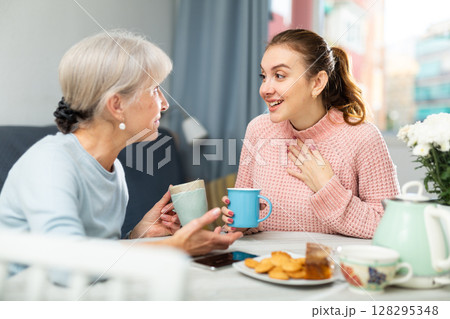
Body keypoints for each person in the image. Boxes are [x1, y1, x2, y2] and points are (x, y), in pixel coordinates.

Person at [0, 30, 242, 274]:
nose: (165, 104)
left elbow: (96, 254)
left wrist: (137, 235)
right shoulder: (50, 163)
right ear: (117, 105)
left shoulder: (112, 168)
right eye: (155, 89)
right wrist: (172, 247)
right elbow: (66, 267)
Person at [221, 29, 399, 239]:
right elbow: (246, 219)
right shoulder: (258, 130)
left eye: (279, 76)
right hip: (264, 268)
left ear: (317, 83)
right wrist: (239, 226)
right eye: (264, 76)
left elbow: (391, 228)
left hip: (330, 268)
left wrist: (326, 187)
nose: (265, 89)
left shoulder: (363, 137)